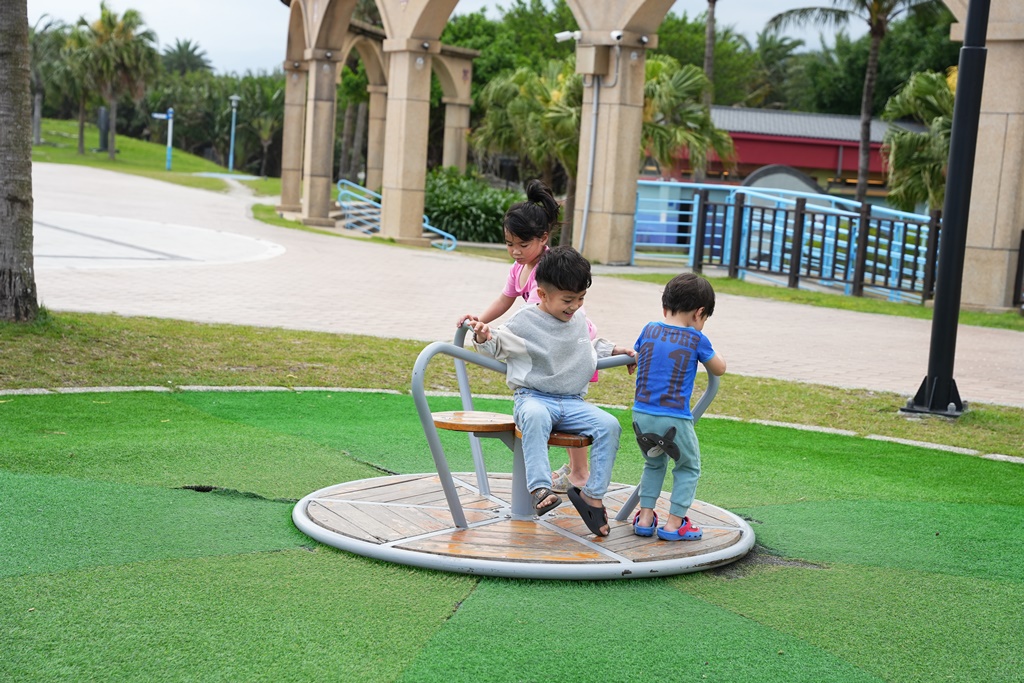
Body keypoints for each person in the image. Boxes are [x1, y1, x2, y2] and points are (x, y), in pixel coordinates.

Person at [468, 246, 636, 536]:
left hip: (572, 402)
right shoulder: (524, 321)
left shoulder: (578, 319)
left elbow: (588, 346)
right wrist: (482, 336)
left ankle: (592, 497)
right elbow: (496, 344)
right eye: (568, 300)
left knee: (609, 425)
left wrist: (615, 350)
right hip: (534, 397)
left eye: (581, 299)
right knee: (533, 416)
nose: (575, 307)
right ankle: (540, 489)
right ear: (543, 295)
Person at [456, 179, 592, 494]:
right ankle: (572, 470)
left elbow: (535, 320)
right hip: (547, 342)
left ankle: (580, 471)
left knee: (570, 401)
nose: (515, 251)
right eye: (509, 244)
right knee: (557, 403)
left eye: (522, 244)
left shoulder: (546, 270)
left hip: (566, 343)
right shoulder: (520, 268)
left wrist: (497, 336)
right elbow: (506, 299)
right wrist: (481, 320)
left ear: (544, 239)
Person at [630, 273, 726, 541]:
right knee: (687, 467)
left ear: (664, 307)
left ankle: (645, 517)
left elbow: (639, 356)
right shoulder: (696, 338)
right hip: (674, 419)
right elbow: (719, 367)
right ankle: (674, 524)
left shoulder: (649, 329)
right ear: (700, 313)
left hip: (641, 417)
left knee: (653, 463)